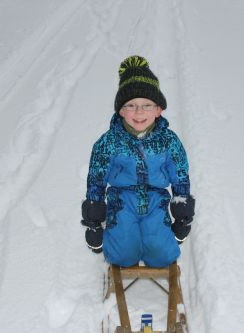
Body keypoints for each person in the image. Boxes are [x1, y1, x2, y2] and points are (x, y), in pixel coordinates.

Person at [81, 55, 195, 268]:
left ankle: (158, 242)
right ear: (121, 110)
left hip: (156, 202)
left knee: (161, 256)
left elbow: (180, 176)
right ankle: (118, 241)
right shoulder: (108, 142)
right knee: (123, 256)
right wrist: (94, 223)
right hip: (121, 202)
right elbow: (96, 180)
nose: (139, 112)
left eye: (147, 105)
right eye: (131, 105)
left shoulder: (169, 141)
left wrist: (182, 217)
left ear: (159, 109)